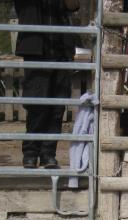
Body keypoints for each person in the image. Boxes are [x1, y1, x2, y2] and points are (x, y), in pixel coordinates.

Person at [14, 0, 80, 169]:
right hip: (36, 49)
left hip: (62, 50)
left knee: (57, 107)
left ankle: (48, 154)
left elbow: (73, 5)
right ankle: (30, 153)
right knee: (37, 105)